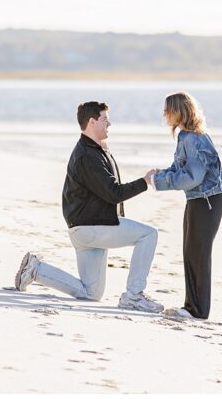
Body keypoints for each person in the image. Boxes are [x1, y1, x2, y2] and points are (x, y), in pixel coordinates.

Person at [13, 101, 164, 313]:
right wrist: (145, 181)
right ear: (92, 122)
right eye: (104, 119)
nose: (109, 124)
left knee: (91, 293)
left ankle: (36, 269)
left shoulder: (95, 149)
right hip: (91, 227)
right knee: (148, 235)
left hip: (86, 227)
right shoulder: (87, 155)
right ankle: (134, 295)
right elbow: (114, 193)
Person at [151, 91, 222, 320]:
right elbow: (179, 169)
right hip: (197, 200)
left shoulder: (193, 138)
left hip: (207, 202)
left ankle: (198, 311)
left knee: (198, 255)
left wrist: (160, 182)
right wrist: (158, 175)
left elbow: (193, 177)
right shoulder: (186, 136)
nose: (164, 115)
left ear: (178, 111)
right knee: (190, 253)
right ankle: (191, 306)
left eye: (167, 110)